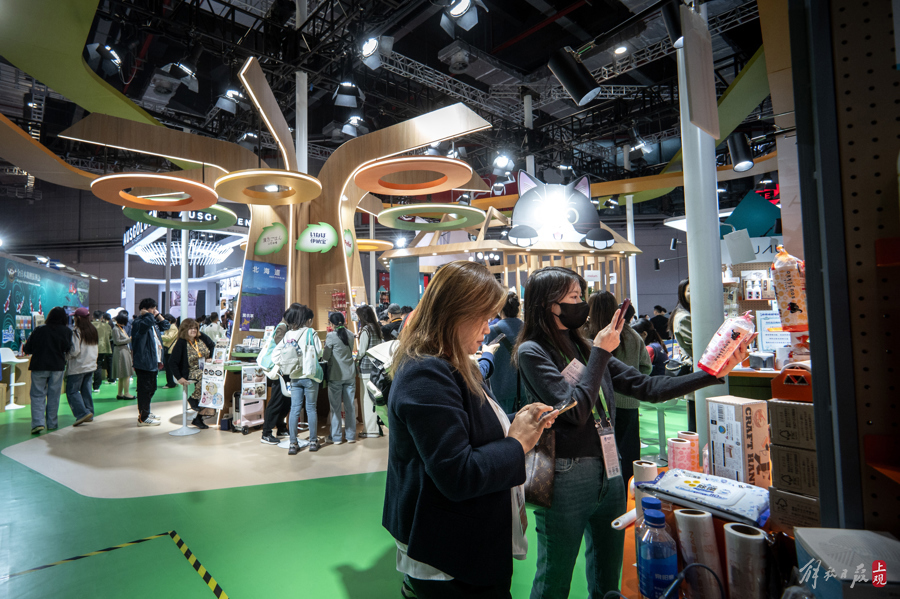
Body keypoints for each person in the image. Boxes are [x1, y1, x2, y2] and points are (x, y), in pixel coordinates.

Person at [515, 267, 754, 599]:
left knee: (608, 573)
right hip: (566, 473)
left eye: (582, 295)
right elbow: (575, 410)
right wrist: (601, 353)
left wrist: (712, 372)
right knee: (555, 577)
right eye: (574, 297)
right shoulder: (532, 352)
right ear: (549, 304)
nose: (581, 304)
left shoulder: (584, 346)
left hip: (610, 469)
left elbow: (648, 387)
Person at [383, 261, 558, 598]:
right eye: (482, 317)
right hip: (448, 552)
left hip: (465, 540)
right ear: (454, 314)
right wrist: (517, 443)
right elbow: (458, 473)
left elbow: (468, 426)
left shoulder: (452, 362)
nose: (488, 327)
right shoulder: (426, 373)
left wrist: (517, 421)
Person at [585, 291, 651, 486]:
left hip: (596, 404)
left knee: (600, 454)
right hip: (628, 403)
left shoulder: (586, 335)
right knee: (628, 452)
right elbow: (646, 367)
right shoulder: (632, 335)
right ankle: (628, 492)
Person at [274, 305, 323, 455]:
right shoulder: (310, 332)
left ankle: (293, 444)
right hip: (309, 376)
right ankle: (313, 442)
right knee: (311, 408)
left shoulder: (288, 335)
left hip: (294, 377)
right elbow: (319, 352)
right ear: (307, 320)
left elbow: (275, 355)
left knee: (294, 409)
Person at [23, 306, 72, 434]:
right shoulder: (66, 331)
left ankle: (38, 423)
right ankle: (52, 423)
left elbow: (27, 348)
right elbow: (68, 348)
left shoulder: (39, 330)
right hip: (57, 366)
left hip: (39, 365)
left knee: (37, 394)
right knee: (54, 395)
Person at [261, 304, 304, 445]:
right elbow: (283, 349)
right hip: (279, 370)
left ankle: (281, 427)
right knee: (276, 401)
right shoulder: (282, 327)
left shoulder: (288, 327)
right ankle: (266, 433)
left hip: (286, 370)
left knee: (286, 401)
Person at [169, 318, 216, 429]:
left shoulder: (201, 337)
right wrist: (179, 377)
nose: (194, 330)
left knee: (212, 385)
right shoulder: (181, 342)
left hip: (203, 369)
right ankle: (194, 398)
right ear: (185, 329)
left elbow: (212, 345)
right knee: (206, 378)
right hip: (189, 371)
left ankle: (198, 418)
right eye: (190, 328)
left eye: (195, 328)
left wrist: (210, 357)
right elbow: (172, 362)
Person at [131, 298, 171, 427]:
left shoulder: (151, 322)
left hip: (153, 361)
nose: (154, 310)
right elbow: (144, 326)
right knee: (144, 390)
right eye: (152, 308)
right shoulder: (139, 322)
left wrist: (158, 315)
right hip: (144, 362)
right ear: (144, 309)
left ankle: (146, 412)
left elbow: (166, 325)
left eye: (155, 308)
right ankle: (143, 418)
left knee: (151, 388)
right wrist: (147, 314)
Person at [485, 292, 524, 413]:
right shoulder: (526, 328)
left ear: (500, 308)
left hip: (501, 388)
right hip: (525, 388)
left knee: (506, 422)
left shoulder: (492, 330)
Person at [323, 312, 357, 445]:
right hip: (350, 374)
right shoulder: (350, 334)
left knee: (335, 408)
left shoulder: (331, 336)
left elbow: (326, 357)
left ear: (332, 324)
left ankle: (336, 437)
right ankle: (351, 436)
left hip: (336, 375)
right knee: (350, 407)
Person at [65, 308, 99, 427]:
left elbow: (75, 351)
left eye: (74, 316)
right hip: (91, 365)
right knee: (86, 390)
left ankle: (82, 413)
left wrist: (66, 356)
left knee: (72, 391)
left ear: (78, 318)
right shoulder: (93, 329)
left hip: (78, 366)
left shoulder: (77, 331)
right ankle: (89, 412)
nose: (73, 318)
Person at [669, 279, 695, 431]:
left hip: (694, 372)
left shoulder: (686, 314)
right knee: (696, 423)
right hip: (694, 371)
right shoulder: (684, 316)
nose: (694, 293)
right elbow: (696, 347)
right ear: (682, 293)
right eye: (689, 290)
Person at [355, 304, 384, 438]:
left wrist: (356, 358)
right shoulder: (376, 328)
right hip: (376, 367)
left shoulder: (366, 329)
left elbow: (362, 351)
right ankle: (375, 428)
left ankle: (370, 430)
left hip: (366, 368)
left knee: (366, 400)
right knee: (373, 398)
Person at [112, 313, 136, 401]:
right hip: (121, 351)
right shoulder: (116, 329)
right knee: (126, 373)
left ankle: (120, 393)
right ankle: (126, 393)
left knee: (122, 374)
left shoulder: (119, 328)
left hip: (123, 350)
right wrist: (130, 339)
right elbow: (117, 341)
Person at [92, 310, 112, 392]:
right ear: (102, 317)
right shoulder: (107, 326)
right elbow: (111, 336)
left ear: (93, 316)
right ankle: (96, 386)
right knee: (98, 366)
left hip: (91, 348)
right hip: (102, 348)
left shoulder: (90, 325)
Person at [160, 314, 178, 389]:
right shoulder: (170, 327)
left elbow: (169, 337)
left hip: (170, 350)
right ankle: (172, 382)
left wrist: (158, 336)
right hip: (169, 349)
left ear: (169, 321)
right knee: (169, 367)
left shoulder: (172, 327)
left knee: (168, 368)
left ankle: (170, 383)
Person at [102, 313, 116, 384]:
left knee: (109, 362)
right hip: (112, 345)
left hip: (109, 345)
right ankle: (111, 377)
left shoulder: (107, 325)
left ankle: (111, 378)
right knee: (110, 361)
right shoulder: (112, 324)